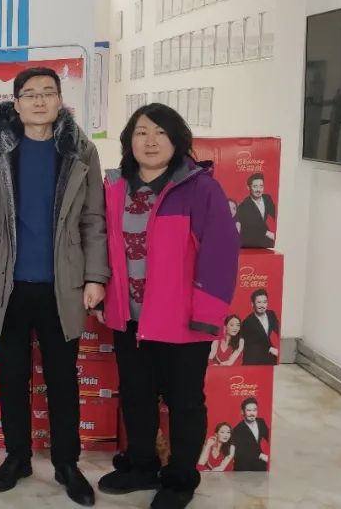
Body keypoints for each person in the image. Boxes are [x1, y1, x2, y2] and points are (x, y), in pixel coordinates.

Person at [0, 67, 108, 506]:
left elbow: (93, 220)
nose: (39, 101)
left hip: (63, 285)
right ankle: (17, 457)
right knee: (11, 376)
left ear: (60, 100)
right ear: (17, 102)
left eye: (48, 93)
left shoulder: (81, 151)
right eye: (30, 94)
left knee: (62, 379)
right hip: (7, 284)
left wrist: (95, 277)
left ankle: (67, 463)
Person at [96, 103, 239, 509]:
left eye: (160, 132)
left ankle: (179, 479)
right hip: (129, 318)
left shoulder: (199, 188)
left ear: (177, 140)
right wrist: (103, 294)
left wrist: (207, 315)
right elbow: (105, 246)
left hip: (183, 321)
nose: (151, 141)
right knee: (137, 395)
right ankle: (142, 465)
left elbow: (220, 254)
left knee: (184, 401)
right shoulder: (116, 188)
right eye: (141, 132)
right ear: (129, 141)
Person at [239, 289, 280, 365]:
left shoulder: (271, 314)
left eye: (265, 302)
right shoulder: (247, 322)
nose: (262, 305)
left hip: (268, 357)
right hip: (253, 359)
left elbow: (278, 330)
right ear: (252, 304)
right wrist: (270, 349)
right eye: (259, 302)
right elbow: (250, 345)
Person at [235, 173, 276, 248]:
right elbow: (254, 226)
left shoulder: (267, 198)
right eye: (255, 186)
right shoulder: (243, 207)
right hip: (250, 243)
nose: (258, 190)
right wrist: (271, 234)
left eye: (261, 186)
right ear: (248, 188)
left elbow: (275, 215)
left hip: (265, 240)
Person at [230, 398, 270, 471]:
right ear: (242, 412)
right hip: (243, 467)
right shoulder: (237, 430)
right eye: (248, 410)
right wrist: (261, 456)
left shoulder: (261, 422)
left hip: (259, 465)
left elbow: (270, 437)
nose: (252, 413)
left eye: (254, 410)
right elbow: (243, 450)